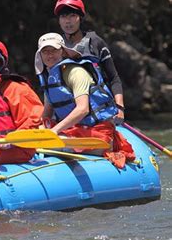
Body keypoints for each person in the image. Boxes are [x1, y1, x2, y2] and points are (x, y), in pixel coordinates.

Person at [35, 32, 135, 168]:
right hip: (73, 131)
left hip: (97, 133)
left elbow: (82, 109)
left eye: (54, 50)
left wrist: (54, 131)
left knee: (46, 144)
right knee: (37, 138)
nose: (50, 55)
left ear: (63, 52)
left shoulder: (75, 72)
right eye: (45, 51)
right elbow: (47, 113)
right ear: (40, 55)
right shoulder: (49, 78)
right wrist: (37, 130)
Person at [54, 0, 125, 123]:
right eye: (63, 16)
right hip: (67, 115)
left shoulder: (96, 42)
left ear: (80, 18)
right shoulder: (55, 45)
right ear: (59, 20)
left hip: (96, 112)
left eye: (72, 16)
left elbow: (114, 78)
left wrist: (120, 107)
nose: (67, 21)